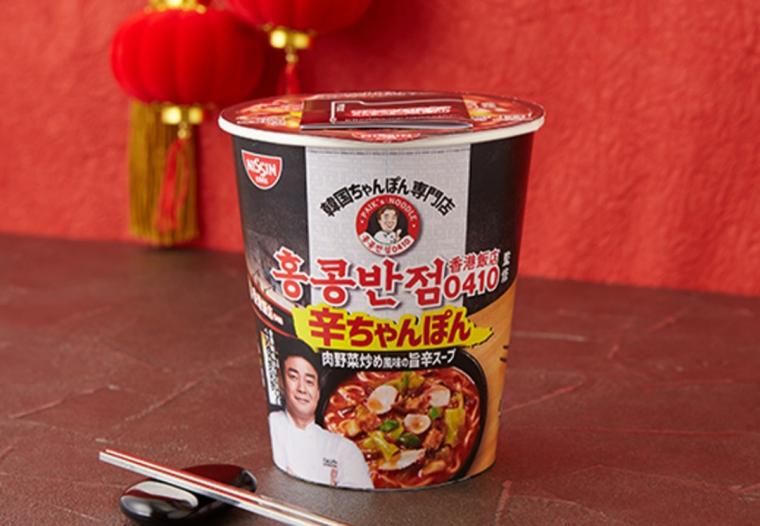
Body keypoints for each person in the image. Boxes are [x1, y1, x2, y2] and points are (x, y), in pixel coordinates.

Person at [268, 339, 373, 489]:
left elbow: (360, 494)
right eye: (293, 377)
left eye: (309, 381)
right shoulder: (274, 423)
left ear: (318, 391)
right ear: (281, 381)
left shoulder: (344, 448)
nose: (302, 389)